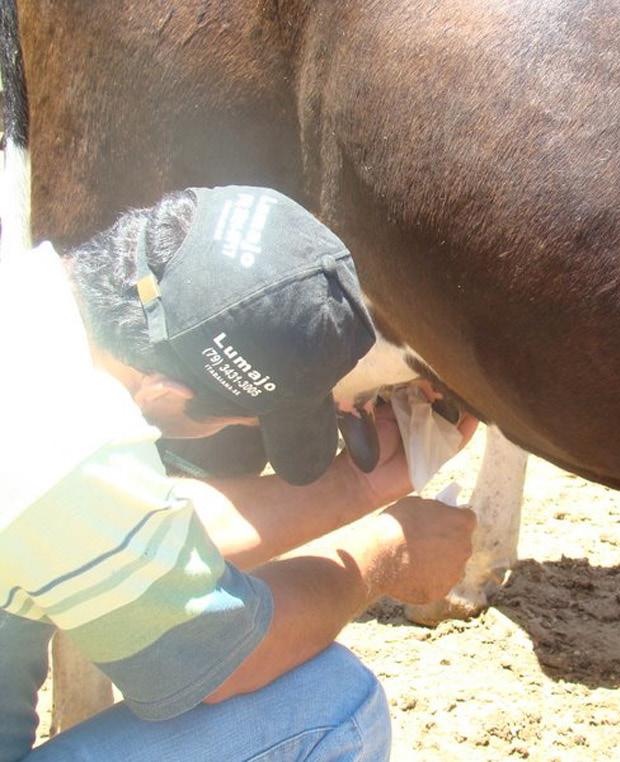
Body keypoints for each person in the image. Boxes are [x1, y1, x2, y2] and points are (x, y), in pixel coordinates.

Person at [0, 185, 478, 761]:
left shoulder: (31, 307)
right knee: (332, 705)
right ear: (165, 393)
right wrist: (385, 555)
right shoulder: (68, 444)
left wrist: (361, 486)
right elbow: (227, 662)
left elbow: (126, 526)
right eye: (248, 419)